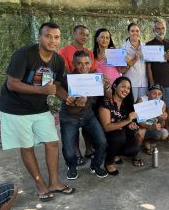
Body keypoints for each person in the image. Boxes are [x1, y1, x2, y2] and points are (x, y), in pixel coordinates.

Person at [0, 22, 74, 200]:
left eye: (56, 37)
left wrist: (67, 98)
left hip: (39, 108)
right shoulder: (24, 54)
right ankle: (40, 183)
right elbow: (12, 83)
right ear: (40, 37)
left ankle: (54, 182)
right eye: (48, 36)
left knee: (52, 142)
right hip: (15, 109)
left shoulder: (58, 60)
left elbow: (54, 86)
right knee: (27, 146)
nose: (52, 40)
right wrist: (42, 91)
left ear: (60, 40)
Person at [59, 50, 108, 180]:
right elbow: (69, 107)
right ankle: (71, 166)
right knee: (69, 150)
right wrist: (76, 103)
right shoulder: (67, 80)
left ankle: (95, 166)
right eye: (79, 63)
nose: (83, 66)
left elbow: (99, 94)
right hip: (69, 117)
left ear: (91, 63)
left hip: (88, 115)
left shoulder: (94, 76)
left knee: (102, 142)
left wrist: (105, 86)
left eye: (86, 63)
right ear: (73, 63)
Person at [58, 25, 95, 162]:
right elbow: (66, 70)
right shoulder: (64, 50)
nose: (84, 37)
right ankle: (77, 152)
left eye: (86, 35)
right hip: (71, 88)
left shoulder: (89, 52)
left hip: (86, 87)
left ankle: (89, 148)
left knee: (87, 118)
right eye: (81, 34)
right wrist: (75, 83)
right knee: (73, 121)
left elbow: (91, 70)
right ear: (74, 34)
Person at [98, 76, 142, 175]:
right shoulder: (106, 101)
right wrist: (127, 121)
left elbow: (127, 122)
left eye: (128, 88)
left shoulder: (127, 103)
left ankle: (115, 154)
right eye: (123, 86)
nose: (126, 90)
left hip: (119, 133)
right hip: (106, 134)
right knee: (119, 136)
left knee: (133, 149)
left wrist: (131, 124)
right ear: (114, 86)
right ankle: (108, 162)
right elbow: (106, 127)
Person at [146, 19, 169, 128]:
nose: (161, 30)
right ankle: (155, 130)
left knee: (168, 107)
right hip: (156, 82)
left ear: (165, 28)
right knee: (155, 108)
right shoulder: (148, 44)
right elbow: (148, 66)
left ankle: (166, 130)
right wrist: (151, 83)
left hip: (168, 81)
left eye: (163, 28)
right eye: (158, 28)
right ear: (153, 30)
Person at [137, 84, 169, 154]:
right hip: (140, 126)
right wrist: (150, 126)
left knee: (164, 133)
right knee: (141, 132)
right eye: (154, 93)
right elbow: (139, 122)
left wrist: (162, 119)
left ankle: (147, 141)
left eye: (160, 94)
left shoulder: (162, 104)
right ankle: (136, 153)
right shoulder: (141, 100)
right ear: (148, 93)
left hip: (152, 126)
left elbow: (161, 124)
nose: (157, 96)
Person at [121, 22, 148, 101]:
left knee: (142, 106)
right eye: (132, 31)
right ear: (128, 32)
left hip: (144, 82)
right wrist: (135, 58)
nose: (135, 33)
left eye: (137, 31)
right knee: (131, 106)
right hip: (130, 82)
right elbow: (122, 68)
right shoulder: (123, 47)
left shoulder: (145, 46)